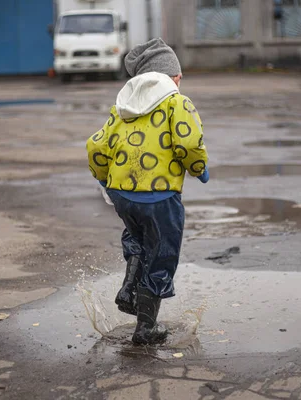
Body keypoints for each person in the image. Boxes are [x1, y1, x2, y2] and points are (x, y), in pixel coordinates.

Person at [86, 38, 209, 345]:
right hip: (159, 195)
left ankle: (128, 290)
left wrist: (104, 179)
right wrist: (197, 168)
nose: (180, 81)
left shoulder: (123, 107)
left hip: (122, 194)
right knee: (162, 251)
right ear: (172, 77)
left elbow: (97, 147)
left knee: (137, 238)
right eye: (178, 76)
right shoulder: (176, 103)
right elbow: (189, 143)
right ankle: (145, 327)